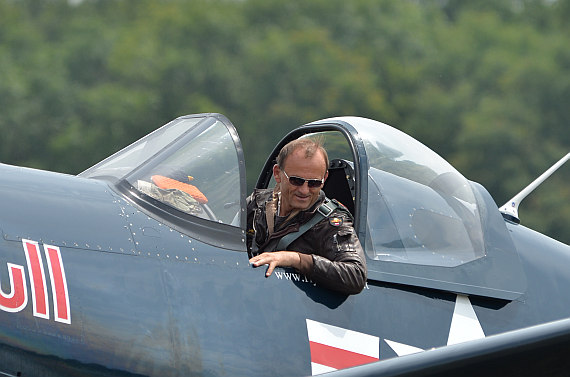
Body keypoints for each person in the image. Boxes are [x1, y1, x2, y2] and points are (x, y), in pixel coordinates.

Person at [246, 138, 367, 295]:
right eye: (296, 181)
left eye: (314, 183)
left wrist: (295, 259)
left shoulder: (330, 223)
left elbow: (356, 274)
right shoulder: (258, 203)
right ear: (278, 174)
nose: (304, 190)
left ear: (324, 180)